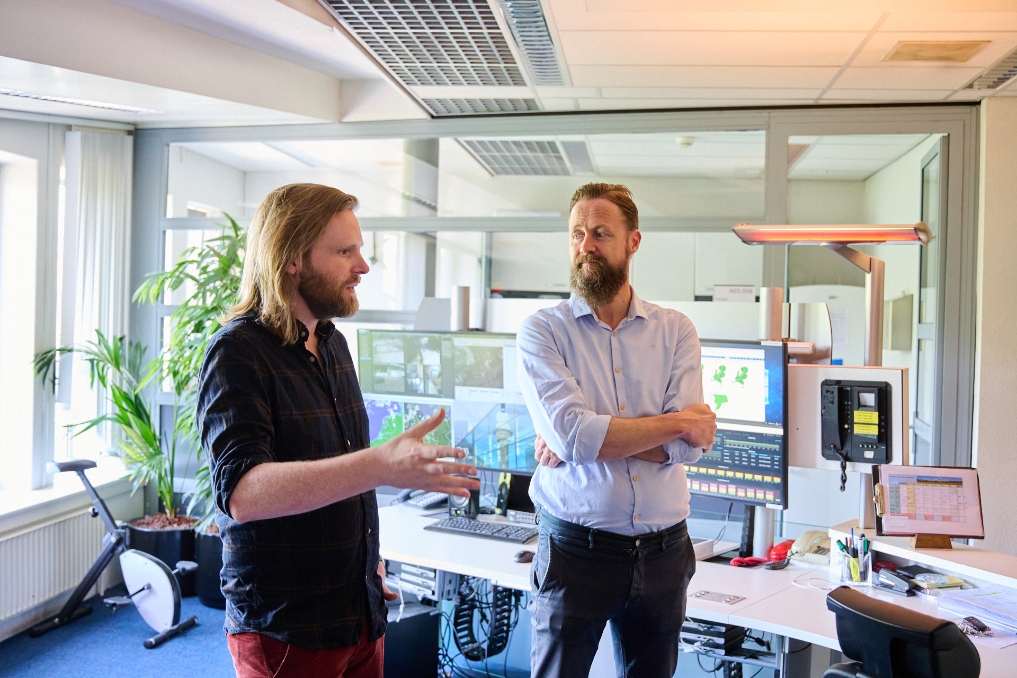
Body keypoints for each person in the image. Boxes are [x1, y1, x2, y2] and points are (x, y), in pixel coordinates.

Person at [198, 183, 480, 678]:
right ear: (292, 259)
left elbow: (340, 466)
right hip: (288, 630)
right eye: (345, 251)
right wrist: (381, 464)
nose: (363, 267)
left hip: (357, 613)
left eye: (360, 250)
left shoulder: (331, 343)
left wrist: (367, 565)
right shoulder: (237, 352)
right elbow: (243, 493)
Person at [517, 183, 718, 678]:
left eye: (601, 233)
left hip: (665, 552)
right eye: (577, 234)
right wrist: (678, 422)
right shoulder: (543, 330)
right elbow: (573, 437)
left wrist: (595, 438)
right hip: (574, 551)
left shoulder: (676, 330)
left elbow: (688, 451)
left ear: (633, 242)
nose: (586, 245)